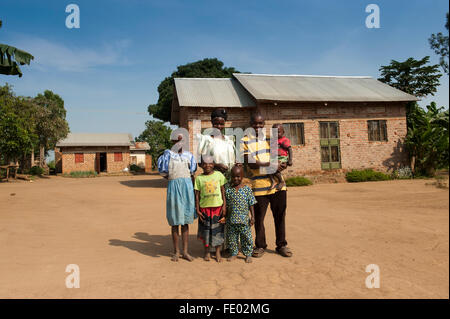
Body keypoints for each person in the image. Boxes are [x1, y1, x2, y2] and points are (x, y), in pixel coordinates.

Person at [241, 112, 293, 258]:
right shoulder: (245, 140)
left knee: (280, 216)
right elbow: (250, 162)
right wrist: (271, 165)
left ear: (264, 124)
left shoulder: (271, 139)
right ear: (250, 124)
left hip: (277, 185)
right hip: (258, 185)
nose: (258, 126)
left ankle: (281, 245)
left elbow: (282, 154)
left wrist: (282, 165)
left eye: (261, 123)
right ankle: (260, 245)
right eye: (255, 123)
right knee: (258, 218)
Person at [157, 134, 197, 262]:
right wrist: (173, 180)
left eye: (181, 141)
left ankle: (185, 251)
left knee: (185, 221)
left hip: (187, 189)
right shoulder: (167, 155)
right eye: (176, 141)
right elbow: (163, 172)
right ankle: (176, 252)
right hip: (174, 188)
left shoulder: (189, 156)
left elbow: (192, 172)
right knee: (175, 221)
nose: (179, 143)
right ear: (172, 141)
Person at [195, 155, 227, 262]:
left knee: (218, 231)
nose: (207, 165)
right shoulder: (199, 178)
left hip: (217, 208)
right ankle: (207, 251)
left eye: (210, 163)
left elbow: (223, 191)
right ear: (201, 165)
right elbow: (197, 195)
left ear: (213, 164)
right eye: (205, 163)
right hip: (204, 209)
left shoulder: (219, 175)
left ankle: (217, 252)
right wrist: (197, 209)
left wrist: (224, 206)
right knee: (206, 232)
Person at [224, 165, 256, 263]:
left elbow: (251, 203)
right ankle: (234, 253)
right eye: (233, 176)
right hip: (231, 219)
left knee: (246, 237)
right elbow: (226, 203)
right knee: (232, 238)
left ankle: (248, 254)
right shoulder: (228, 189)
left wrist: (253, 217)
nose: (236, 178)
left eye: (238, 176)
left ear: (242, 176)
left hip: (244, 220)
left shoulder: (247, 189)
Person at [196, 108, 236, 178]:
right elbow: (200, 161)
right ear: (211, 122)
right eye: (216, 124)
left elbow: (233, 159)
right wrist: (216, 165)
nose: (218, 126)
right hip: (214, 180)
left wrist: (237, 163)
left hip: (231, 179)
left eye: (221, 124)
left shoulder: (229, 140)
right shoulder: (206, 140)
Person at [269, 124, 293, 190]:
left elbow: (289, 150)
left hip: (282, 159)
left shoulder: (284, 140)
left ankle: (281, 181)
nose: (276, 134)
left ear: (283, 132)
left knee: (275, 169)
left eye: (278, 132)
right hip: (274, 159)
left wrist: (290, 160)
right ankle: (273, 181)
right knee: (268, 169)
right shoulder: (273, 141)